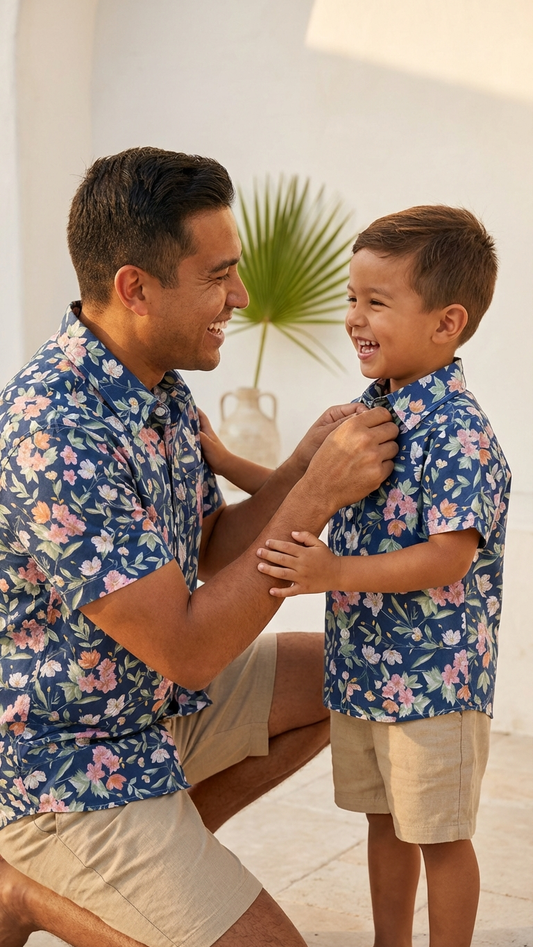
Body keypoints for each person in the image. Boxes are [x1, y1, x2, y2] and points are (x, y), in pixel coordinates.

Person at [0, 147, 399, 947]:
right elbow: (187, 648)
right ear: (134, 289)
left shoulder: (154, 381)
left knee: (349, 670)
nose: (240, 297)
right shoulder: (57, 429)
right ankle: (31, 881)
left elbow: (210, 547)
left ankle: (154, 862)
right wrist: (316, 496)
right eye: (218, 275)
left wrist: (292, 474)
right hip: (67, 763)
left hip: (147, 711)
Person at [204, 206, 511, 947]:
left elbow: (449, 555)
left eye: (375, 301)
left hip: (433, 681)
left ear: (446, 323)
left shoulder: (456, 431)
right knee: (384, 822)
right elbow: (293, 481)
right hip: (367, 670)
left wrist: (332, 570)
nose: (352, 317)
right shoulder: (367, 410)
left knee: (438, 834)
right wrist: (219, 456)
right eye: (350, 297)